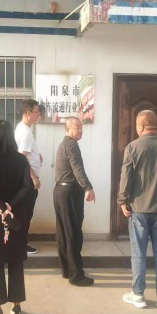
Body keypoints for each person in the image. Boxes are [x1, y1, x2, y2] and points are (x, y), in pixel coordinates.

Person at [118, 110, 157, 309]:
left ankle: (138, 295)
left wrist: (122, 200)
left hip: (138, 209)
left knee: (138, 253)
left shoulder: (132, 147)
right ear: (155, 125)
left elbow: (126, 177)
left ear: (141, 126)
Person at [0, 120, 34, 314]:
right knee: (15, 259)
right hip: (16, 215)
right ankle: (16, 304)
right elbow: (27, 186)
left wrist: (2, 208)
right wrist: (11, 206)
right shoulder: (21, 160)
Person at [53, 117, 96, 286]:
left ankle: (67, 270)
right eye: (77, 127)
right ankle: (76, 275)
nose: (81, 130)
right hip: (69, 192)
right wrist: (88, 187)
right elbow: (77, 168)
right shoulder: (71, 145)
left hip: (60, 191)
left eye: (81, 127)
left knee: (64, 233)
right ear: (68, 129)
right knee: (73, 234)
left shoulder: (64, 144)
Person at [14, 99, 42, 255]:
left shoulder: (23, 128)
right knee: (25, 213)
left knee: (24, 213)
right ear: (28, 113)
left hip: (24, 179)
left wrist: (37, 155)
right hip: (27, 180)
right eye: (36, 112)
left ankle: (20, 242)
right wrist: (33, 178)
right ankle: (21, 244)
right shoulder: (25, 132)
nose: (38, 115)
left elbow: (27, 153)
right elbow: (22, 157)